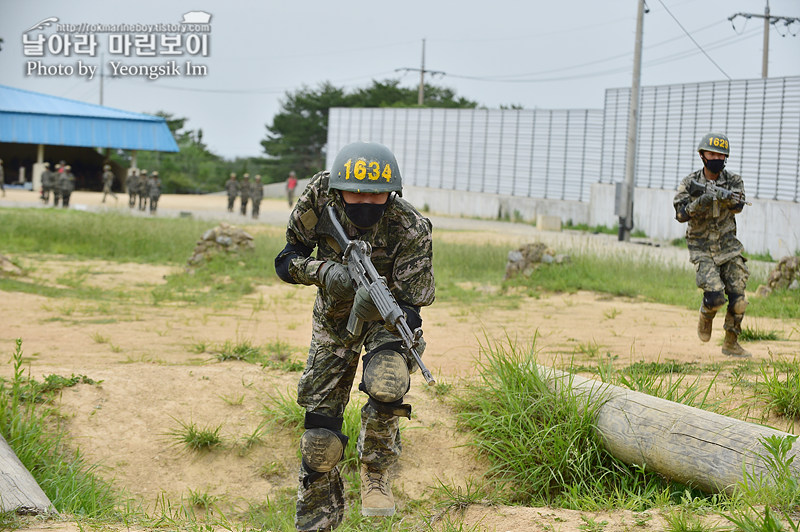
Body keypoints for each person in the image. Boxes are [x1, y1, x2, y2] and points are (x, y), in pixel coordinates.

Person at [274, 142, 435, 531]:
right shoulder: (318, 196)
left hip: (386, 316)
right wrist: (325, 273)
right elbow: (286, 259)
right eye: (356, 193)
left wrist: (381, 309)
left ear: (392, 194)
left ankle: (375, 472)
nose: (366, 201)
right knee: (320, 438)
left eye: (377, 194)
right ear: (338, 190)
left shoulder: (410, 227)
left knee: (388, 381)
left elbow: (413, 306)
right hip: (333, 318)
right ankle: (317, 518)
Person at [673, 132, 751, 357]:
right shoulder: (690, 182)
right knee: (715, 297)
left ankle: (731, 343)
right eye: (711, 153)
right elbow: (680, 214)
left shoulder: (734, 181)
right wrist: (702, 201)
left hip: (729, 246)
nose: (716, 157)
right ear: (702, 155)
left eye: (721, 154)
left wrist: (726, 198)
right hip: (702, 247)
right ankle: (706, 315)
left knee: (739, 299)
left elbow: (738, 207)